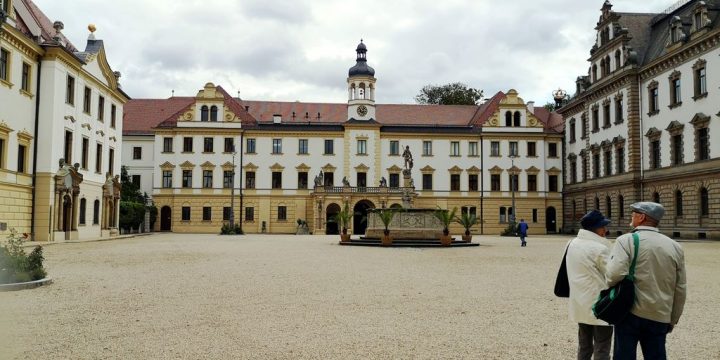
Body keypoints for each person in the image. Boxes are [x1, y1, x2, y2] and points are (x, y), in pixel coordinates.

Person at [606, 202, 686, 360]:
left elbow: (615, 274)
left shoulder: (626, 240)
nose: (631, 216)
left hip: (630, 311)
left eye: (634, 213)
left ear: (641, 217)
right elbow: (680, 288)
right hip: (660, 313)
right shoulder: (675, 246)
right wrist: (673, 318)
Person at [566, 210, 613, 360]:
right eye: (603, 226)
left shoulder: (571, 243)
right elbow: (612, 274)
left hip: (579, 301)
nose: (605, 230)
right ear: (594, 228)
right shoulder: (600, 248)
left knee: (584, 345)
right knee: (602, 346)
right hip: (600, 304)